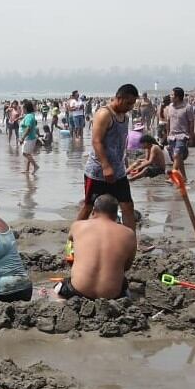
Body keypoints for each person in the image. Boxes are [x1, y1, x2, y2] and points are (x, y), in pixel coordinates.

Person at [78, 84, 137, 230]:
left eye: (133, 103)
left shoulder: (125, 117)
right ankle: (71, 244)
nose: (130, 106)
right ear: (119, 98)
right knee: (88, 207)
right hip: (98, 171)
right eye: (128, 103)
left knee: (127, 206)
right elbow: (96, 141)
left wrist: (124, 162)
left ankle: (130, 243)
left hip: (118, 172)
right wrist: (106, 166)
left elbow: (121, 142)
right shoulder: (104, 114)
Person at [55, 195, 136, 300]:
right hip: (111, 296)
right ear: (116, 215)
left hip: (78, 291)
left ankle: (60, 302)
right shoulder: (129, 234)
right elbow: (127, 266)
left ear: (93, 211)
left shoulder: (77, 226)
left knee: (57, 289)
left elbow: (69, 248)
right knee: (126, 289)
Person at [165, 87, 195, 179]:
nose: (170, 97)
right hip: (172, 136)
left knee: (177, 155)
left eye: (172, 95)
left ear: (177, 97)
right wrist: (167, 134)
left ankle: (172, 177)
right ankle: (184, 177)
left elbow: (191, 122)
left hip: (182, 135)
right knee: (178, 158)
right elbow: (168, 121)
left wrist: (191, 136)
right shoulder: (170, 106)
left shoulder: (187, 107)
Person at [18, 100, 39, 175]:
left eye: (23, 108)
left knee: (25, 153)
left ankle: (35, 166)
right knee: (28, 153)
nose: (22, 110)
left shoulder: (29, 116)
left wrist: (22, 138)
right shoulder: (29, 115)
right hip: (29, 138)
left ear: (26, 109)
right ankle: (27, 169)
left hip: (29, 138)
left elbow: (28, 128)